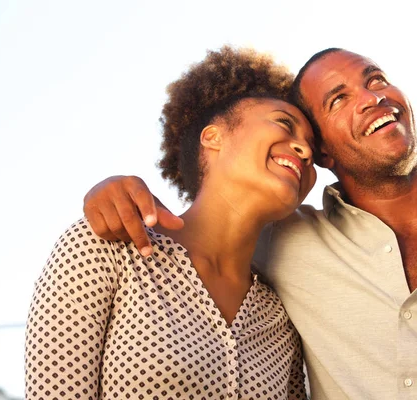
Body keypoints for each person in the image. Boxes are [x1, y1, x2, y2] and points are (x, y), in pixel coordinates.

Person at [82, 48, 417, 399]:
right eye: (338, 99)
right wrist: (114, 189)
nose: (372, 97)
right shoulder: (283, 241)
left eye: (376, 78)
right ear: (319, 152)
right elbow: (214, 218)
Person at [25, 46, 317, 400]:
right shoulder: (108, 246)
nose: (304, 149)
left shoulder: (280, 317)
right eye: (284, 124)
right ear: (213, 136)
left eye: (312, 146)